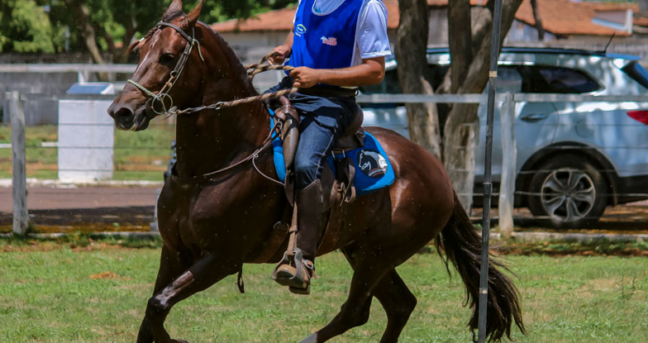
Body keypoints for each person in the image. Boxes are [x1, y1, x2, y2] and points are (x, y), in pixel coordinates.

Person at [268, 0, 391, 295]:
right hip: (293, 90)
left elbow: (375, 71)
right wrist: (285, 48)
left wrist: (318, 75)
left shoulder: (367, 7)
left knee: (306, 165)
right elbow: (299, 29)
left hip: (333, 101)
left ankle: (303, 260)